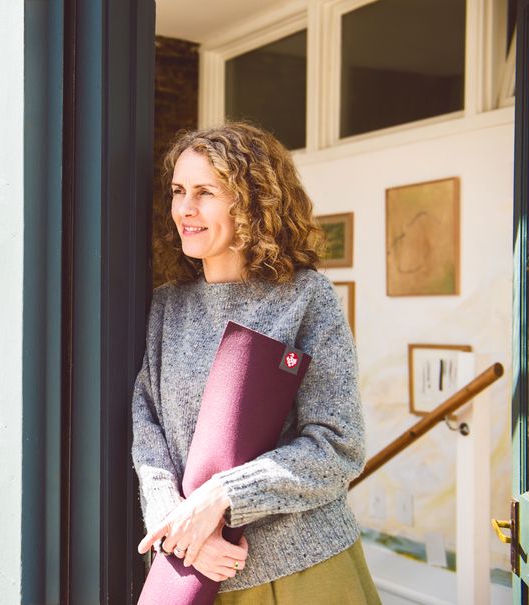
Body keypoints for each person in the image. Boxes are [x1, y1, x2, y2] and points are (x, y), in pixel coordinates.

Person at [132, 123, 380, 604]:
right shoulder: (167, 306)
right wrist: (177, 523)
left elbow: (339, 445)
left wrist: (220, 497)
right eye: (179, 191)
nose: (185, 208)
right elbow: (148, 425)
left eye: (205, 192)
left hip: (302, 571)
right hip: (189, 571)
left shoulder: (307, 299)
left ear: (252, 201)